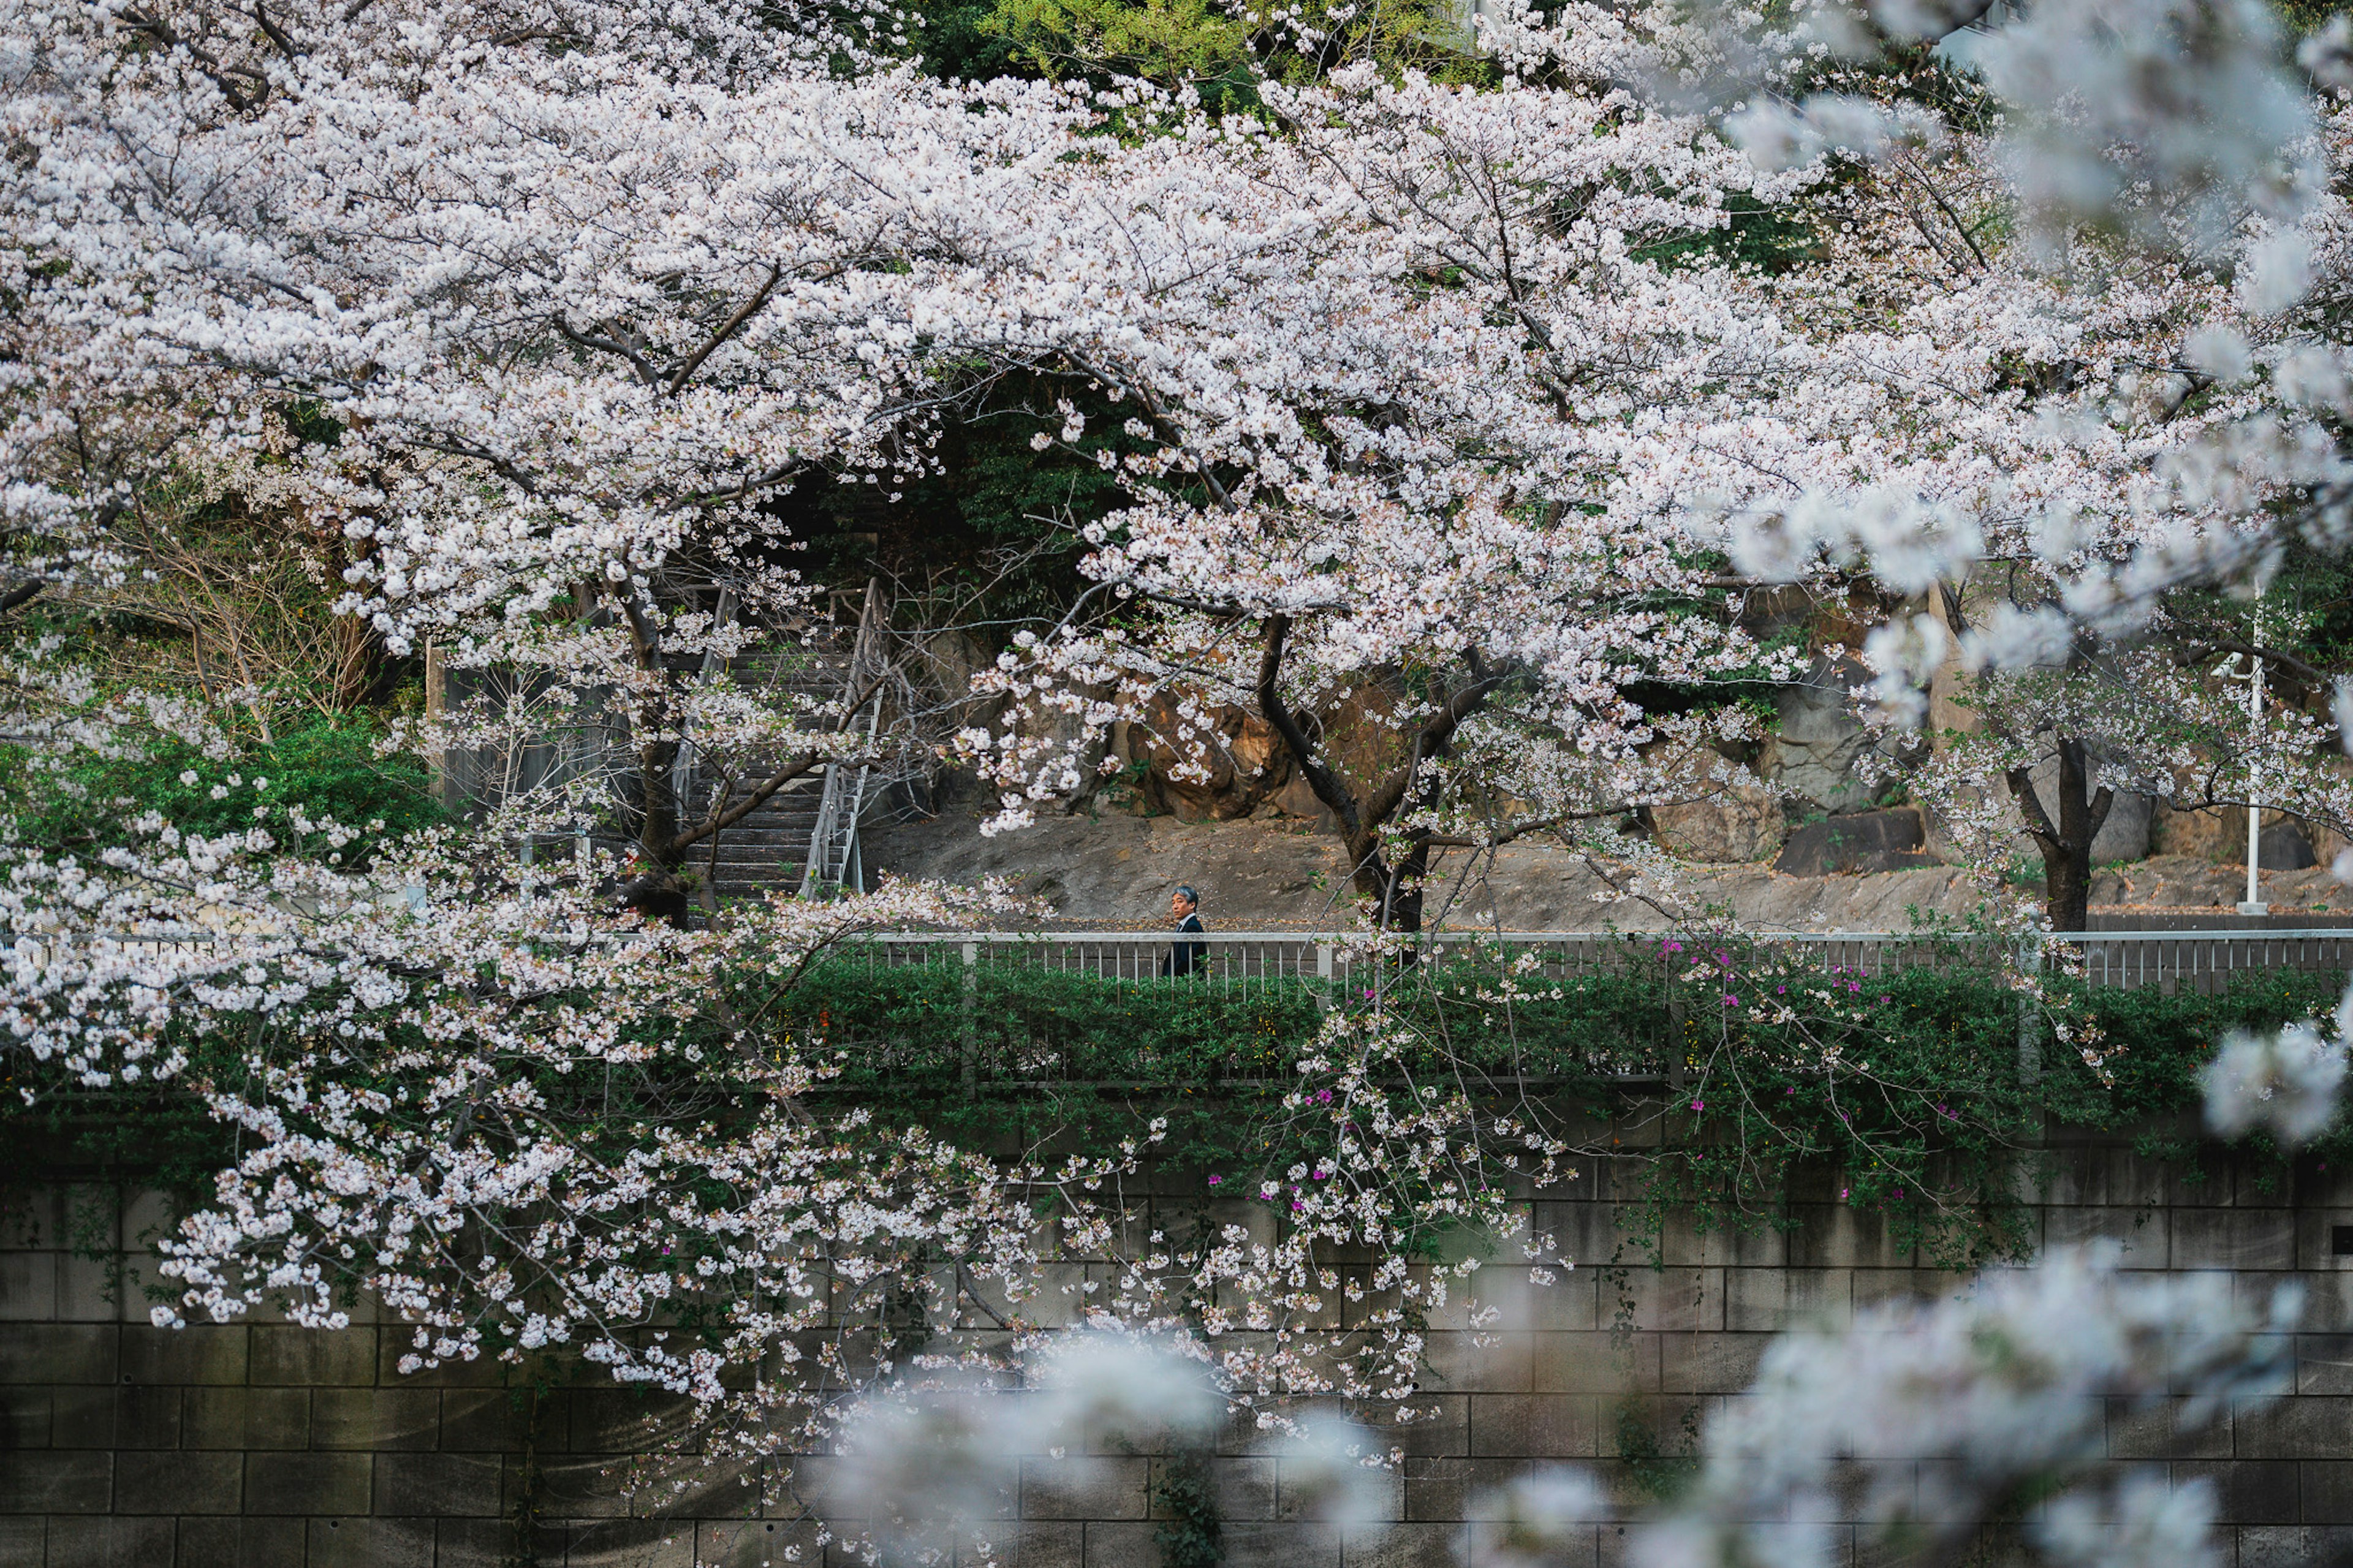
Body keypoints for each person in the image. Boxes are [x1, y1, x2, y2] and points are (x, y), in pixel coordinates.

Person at [1164, 885, 1207, 977]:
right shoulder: (1184, 925)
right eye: (1173, 903)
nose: (1175, 907)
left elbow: (1185, 960)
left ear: (1192, 905)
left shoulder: (1192, 927)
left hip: (1186, 982)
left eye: (1180, 902)